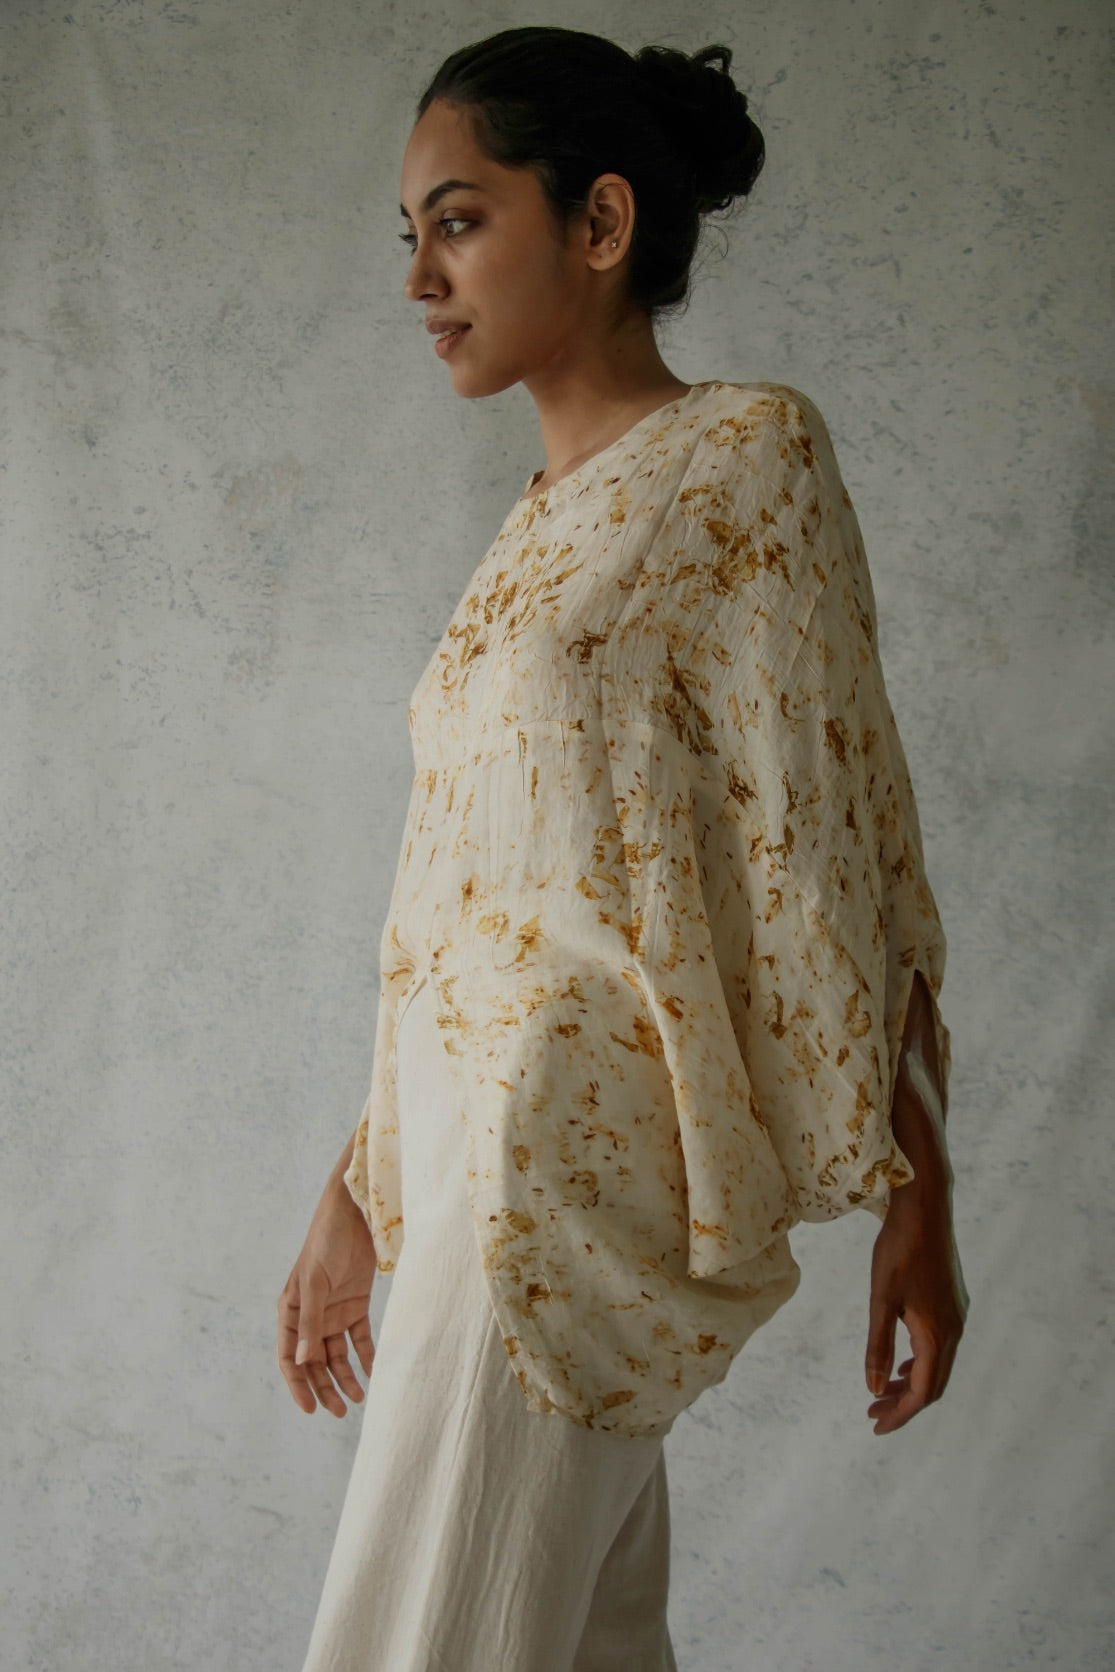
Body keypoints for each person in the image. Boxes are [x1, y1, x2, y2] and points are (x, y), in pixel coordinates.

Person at [278, 26, 968, 1672]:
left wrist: (922, 1193)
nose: (421, 279)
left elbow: (841, 839)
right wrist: (358, 1187)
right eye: (410, 237)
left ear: (599, 221)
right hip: (470, 1162)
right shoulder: (526, 535)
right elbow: (461, 904)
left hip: (563, 1184)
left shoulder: (746, 457)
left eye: (459, 223)